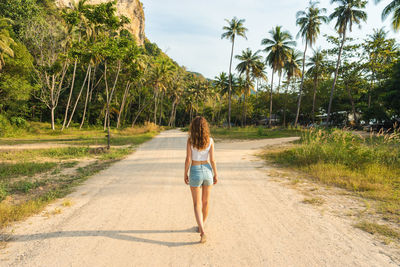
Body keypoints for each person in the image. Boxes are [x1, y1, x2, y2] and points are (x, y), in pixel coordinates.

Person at [184, 116, 218, 243]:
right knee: (206, 202)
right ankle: (201, 225)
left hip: (195, 170)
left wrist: (185, 173)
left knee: (197, 203)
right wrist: (216, 174)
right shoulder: (210, 140)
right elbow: (213, 160)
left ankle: (202, 230)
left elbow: (188, 159)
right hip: (208, 170)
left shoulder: (190, 140)